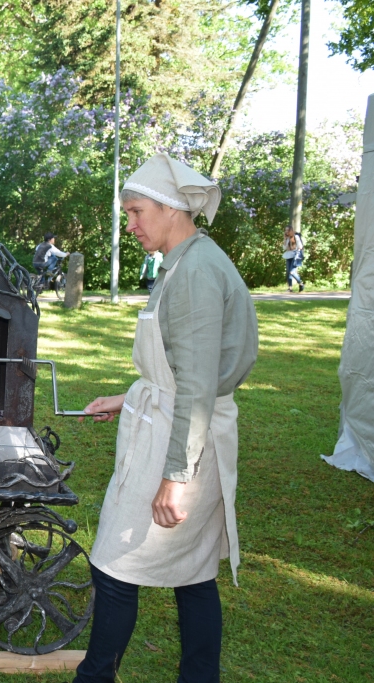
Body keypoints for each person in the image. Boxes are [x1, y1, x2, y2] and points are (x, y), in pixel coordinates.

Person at [73, 153, 258, 683]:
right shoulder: (185, 261)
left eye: (135, 212)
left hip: (183, 442)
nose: (128, 224)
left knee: (114, 565)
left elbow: (197, 389)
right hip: (174, 424)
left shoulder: (196, 273)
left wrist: (177, 478)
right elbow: (178, 370)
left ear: (172, 209)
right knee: (193, 574)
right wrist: (127, 398)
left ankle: (95, 677)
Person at [283, 225, 305, 292]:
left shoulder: (296, 237)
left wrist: (294, 248)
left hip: (295, 256)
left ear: (291, 231)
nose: (286, 232)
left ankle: (301, 283)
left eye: (288, 230)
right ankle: (290, 288)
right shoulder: (287, 238)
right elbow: (284, 248)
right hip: (288, 255)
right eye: (285, 230)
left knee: (292, 272)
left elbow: (300, 246)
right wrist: (285, 240)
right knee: (288, 272)